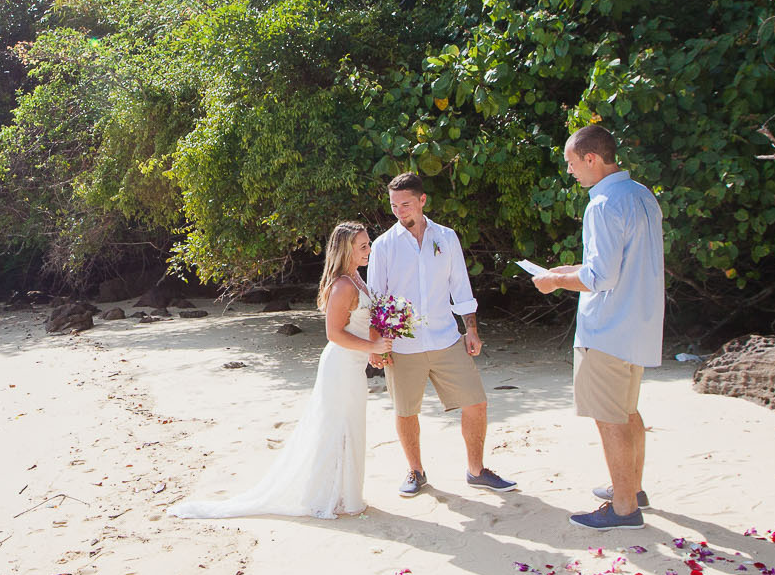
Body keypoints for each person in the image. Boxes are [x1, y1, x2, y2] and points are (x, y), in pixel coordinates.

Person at [170, 222, 394, 519]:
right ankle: (328, 497)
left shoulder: (357, 279)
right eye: (363, 246)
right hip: (340, 367)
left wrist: (374, 350)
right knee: (337, 428)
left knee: (350, 427)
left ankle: (346, 494)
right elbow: (334, 334)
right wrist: (372, 349)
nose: (369, 249)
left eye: (368, 244)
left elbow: (361, 325)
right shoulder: (342, 285)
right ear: (346, 250)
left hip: (353, 365)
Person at [531, 124, 665, 530]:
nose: (570, 171)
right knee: (627, 413)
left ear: (592, 159)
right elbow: (617, 265)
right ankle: (632, 489)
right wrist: (568, 269)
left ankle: (624, 508)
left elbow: (600, 278)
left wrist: (554, 282)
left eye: (572, 163)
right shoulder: (642, 195)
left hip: (607, 328)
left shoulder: (602, 203)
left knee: (610, 420)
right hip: (638, 324)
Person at [366, 173, 516, 497]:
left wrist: (471, 329)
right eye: (394, 206)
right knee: (406, 412)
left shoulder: (446, 238)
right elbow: (377, 298)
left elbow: (460, 286)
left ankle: (476, 471)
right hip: (403, 345)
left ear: (422, 201)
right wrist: (375, 345)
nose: (400, 211)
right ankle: (416, 472)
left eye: (405, 204)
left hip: (447, 338)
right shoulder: (383, 246)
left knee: (476, 403)